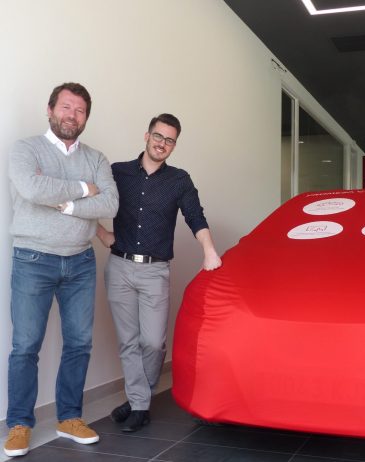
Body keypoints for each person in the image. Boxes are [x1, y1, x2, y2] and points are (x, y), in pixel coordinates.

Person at [4, 82, 119, 457]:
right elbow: (32, 189)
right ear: (50, 109)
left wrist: (67, 205)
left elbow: (111, 204)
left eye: (80, 110)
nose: (72, 115)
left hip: (81, 260)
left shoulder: (96, 158)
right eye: (66, 107)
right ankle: (19, 423)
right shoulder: (26, 149)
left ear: (86, 118)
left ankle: (69, 417)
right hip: (33, 259)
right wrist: (85, 189)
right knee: (25, 346)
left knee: (79, 343)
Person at [96, 113, 222, 432]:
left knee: (152, 342)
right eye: (158, 136)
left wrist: (209, 251)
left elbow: (195, 216)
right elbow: (89, 199)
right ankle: (140, 405)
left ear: (174, 145)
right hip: (119, 267)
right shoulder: (118, 172)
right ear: (147, 136)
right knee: (128, 341)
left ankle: (136, 400)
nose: (162, 143)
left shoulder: (179, 180)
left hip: (155, 271)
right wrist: (101, 233)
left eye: (169, 140)